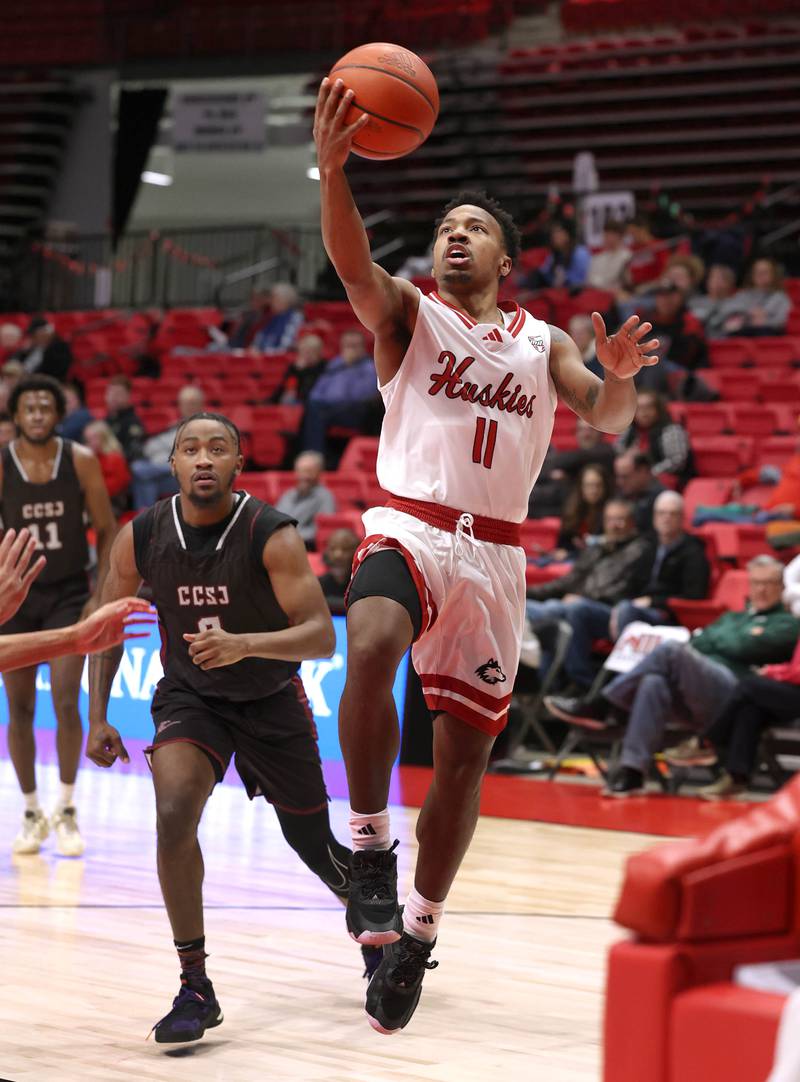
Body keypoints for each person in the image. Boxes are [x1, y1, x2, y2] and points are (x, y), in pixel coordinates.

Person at [314, 75, 660, 1033]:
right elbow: (350, 266)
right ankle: (370, 846)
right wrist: (333, 173)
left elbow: (607, 416)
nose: (454, 237)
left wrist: (620, 378)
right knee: (372, 636)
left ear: (507, 257)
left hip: (497, 560)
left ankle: (417, 935)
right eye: (444, 228)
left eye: (474, 227)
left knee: (464, 766)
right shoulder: (409, 315)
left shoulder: (544, 342)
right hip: (411, 526)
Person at [86, 411, 381, 1045]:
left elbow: (318, 636)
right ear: (171, 463)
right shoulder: (140, 536)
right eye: (190, 448)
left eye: (217, 449)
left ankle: (378, 930)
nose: (203, 458)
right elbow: (107, 624)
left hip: (270, 697)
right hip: (191, 699)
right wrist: (98, 715)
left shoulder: (269, 532)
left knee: (311, 843)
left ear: (237, 465)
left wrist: (245, 644)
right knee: (173, 811)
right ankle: (195, 984)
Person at [551, 556, 799, 796]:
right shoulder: (732, 618)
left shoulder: (787, 623)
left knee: (671, 650)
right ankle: (632, 772)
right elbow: (699, 641)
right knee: (653, 682)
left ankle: (603, 705)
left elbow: (739, 647)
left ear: (781, 587)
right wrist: (727, 640)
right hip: (695, 694)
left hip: (732, 696)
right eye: (757, 583)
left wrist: (719, 640)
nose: (762, 589)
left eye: (769, 583)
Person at [0, 374, 117, 857]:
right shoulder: (2, 464)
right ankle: (31, 810)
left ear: (57, 413)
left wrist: (99, 594)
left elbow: (108, 529)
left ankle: (66, 807)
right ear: (16, 415)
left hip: (70, 592)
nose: (36, 415)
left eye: (45, 407)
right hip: (17, 598)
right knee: (20, 708)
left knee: (68, 700)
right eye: (28, 408)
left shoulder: (81, 461)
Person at [545, 490, 710, 695]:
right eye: (661, 513)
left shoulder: (693, 552)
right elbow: (629, 586)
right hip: (629, 610)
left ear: (682, 518)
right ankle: (583, 684)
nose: (666, 518)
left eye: (672, 513)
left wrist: (653, 601)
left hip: (665, 617)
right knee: (579, 610)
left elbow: (694, 595)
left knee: (625, 609)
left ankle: (620, 691)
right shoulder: (648, 547)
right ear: (654, 517)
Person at [526, 499, 654, 689]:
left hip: (606, 609)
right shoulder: (598, 547)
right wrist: (527, 592)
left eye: (620, 519)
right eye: (610, 519)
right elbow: (567, 581)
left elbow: (625, 589)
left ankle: (576, 684)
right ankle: (539, 684)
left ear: (632, 522)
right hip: (573, 603)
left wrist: (585, 599)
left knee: (554, 612)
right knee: (523, 606)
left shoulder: (640, 550)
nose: (614, 525)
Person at [301, 329, 379, 460]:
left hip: (354, 410)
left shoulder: (369, 367)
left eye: (354, 346)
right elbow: (315, 393)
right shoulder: (335, 364)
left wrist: (350, 368)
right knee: (312, 407)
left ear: (363, 348)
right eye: (348, 345)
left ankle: (313, 456)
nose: (351, 349)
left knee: (316, 411)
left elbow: (360, 395)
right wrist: (325, 402)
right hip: (327, 408)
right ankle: (310, 456)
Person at [129, 384, 205, 509]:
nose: (188, 407)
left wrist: (167, 452)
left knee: (140, 471)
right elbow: (150, 448)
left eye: (192, 403)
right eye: (184, 403)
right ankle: (148, 519)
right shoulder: (175, 426)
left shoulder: (207, 426)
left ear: (201, 404)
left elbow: (187, 453)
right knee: (145, 481)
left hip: (188, 475)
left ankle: (145, 519)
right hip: (165, 471)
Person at [530, 415, 615, 517]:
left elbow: (577, 457)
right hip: (569, 509)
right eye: (581, 430)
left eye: (591, 429)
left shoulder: (606, 452)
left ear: (601, 432)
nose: (586, 434)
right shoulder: (575, 461)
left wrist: (564, 476)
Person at [615, 390, 693, 485]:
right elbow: (618, 450)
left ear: (658, 410)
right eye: (639, 408)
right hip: (632, 477)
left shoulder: (671, 430)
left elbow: (677, 461)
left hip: (664, 479)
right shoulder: (629, 429)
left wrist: (650, 472)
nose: (644, 412)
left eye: (648, 407)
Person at [275, 450, 336, 549]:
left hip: (305, 548)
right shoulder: (288, 494)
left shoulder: (325, 496)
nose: (303, 476)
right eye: (300, 471)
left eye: (308, 471)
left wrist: (290, 536)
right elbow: (275, 520)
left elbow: (322, 530)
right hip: (280, 544)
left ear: (319, 473)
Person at [720, 258, 792, 337]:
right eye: (757, 272)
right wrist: (750, 312)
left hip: (767, 333)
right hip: (742, 331)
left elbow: (782, 321)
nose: (760, 275)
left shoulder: (780, 297)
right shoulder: (743, 295)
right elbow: (726, 309)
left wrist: (764, 321)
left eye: (765, 272)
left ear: (773, 275)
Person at [555, 464, 610, 555]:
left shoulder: (611, 512)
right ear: (581, 487)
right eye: (589, 485)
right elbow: (563, 544)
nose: (594, 490)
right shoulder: (571, 511)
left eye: (598, 485)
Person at [83, 420, 132, 516]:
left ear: (103, 438)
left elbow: (120, 483)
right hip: (94, 499)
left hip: (113, 501)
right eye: (87, 440)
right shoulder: (89, 458)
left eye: (93, 439)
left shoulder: (115, 457)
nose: (89, 443)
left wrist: (94, 489)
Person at [614, 450, 664, 534]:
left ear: (643, 471)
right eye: (618, 476)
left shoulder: (662, 501)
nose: (619, 482)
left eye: (625, 477)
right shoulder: (621, 495)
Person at [270, 333, 327, 405]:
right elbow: (282, 389)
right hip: (290, 404)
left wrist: (301, 371)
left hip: (310, 405)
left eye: (311, 350)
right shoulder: (294, 367)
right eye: (304, 350)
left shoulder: (325, 367)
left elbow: (308, 392)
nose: (307, 354)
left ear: (319, 352)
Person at [14, 317, 73, 382]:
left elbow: (56, 372)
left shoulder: (60, 348)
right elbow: (17, 361)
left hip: (46, 383)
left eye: (34, 335)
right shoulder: (32, 348)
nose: (32, 338)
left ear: (44, 333)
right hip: (25, 380)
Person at [318, 527, 360, 614]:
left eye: (345, 549)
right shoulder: (318, 584)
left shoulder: (364, 585)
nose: (338, 555)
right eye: (332, 549)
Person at [252, 283, 304, 353]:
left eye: (274, 298)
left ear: (284, 300)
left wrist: (262, 352)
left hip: (277, 360)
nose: (270, 301)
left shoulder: (295, 318)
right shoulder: (272, 317)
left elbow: (285, 348)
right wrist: (254, 349)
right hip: (264, 357)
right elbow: (259, 339)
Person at [104, 375, 146, 463]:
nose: (113, 397)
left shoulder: (133, 423)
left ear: (128, 396)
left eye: (118, 393)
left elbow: (132, 453)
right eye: (110, 392)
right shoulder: (104, 422)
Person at [689, 264, 738, 338]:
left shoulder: (736, 304)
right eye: (713, 277)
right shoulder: (694, 302)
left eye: (721, 279)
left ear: (730, 283)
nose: (716, 281)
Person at [587, 220, 631, 292]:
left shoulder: (627, 256)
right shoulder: (597, 258)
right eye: (605, 234)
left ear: (619, 236)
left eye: (610, 234)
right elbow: (590, 280)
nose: (606, 238)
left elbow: (622, 282)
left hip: (616, 295)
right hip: (595, 293)